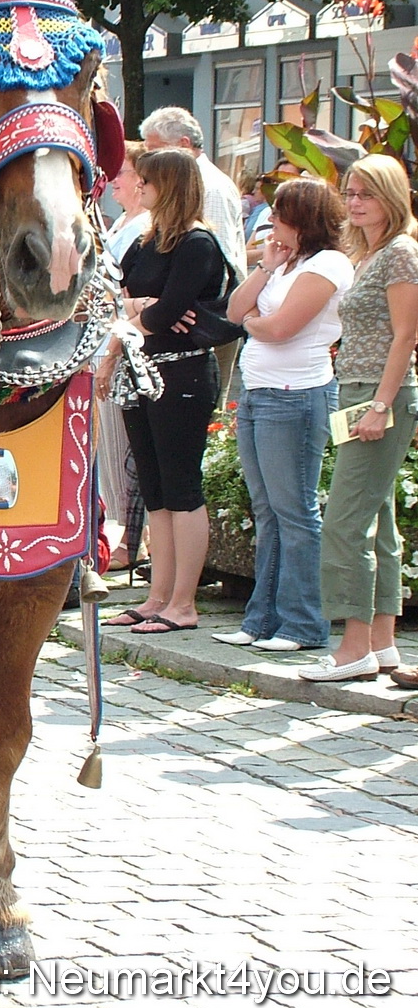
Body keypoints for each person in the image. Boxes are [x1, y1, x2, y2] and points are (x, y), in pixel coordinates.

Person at [209, 178, 352, 653]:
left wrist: (253, 322)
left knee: (295, 512)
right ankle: (262, 618)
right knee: (267, 511)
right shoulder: (287, 261)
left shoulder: (328, 263)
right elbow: (234, 310)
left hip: (295, 396)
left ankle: (304, 623)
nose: (273, 223)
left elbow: (278, 327)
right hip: (260, 393)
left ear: (303, 219)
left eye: (281, 215)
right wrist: (267, 268)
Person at [295, 155, 418, 681]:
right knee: (377, 523)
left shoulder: (400, 254)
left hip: (378, 394)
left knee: (345, 522)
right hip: (356, 390)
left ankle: (352, 650)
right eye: (349, 192)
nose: (355, 202)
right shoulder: (368, 254)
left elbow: (406, 336)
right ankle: (382, 643)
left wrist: (381, 404)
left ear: (391, 196)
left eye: (366, 193)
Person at [96, 148, 225, 634]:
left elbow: (167, 311)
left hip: (182, 374)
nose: (139, 186)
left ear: (167, 185)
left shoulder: (197, 244)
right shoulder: (144, 241)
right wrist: (136, 312)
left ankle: (183, 603)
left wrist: (139, 310)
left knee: (181, 486)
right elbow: (112, 298)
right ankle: (158, 595)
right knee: (153, 487)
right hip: (139, 367)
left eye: (147, 180)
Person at [142, 107, 246, 397]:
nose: (147, 160)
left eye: (154, 150)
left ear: (184, 145)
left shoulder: (209, 188)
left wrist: (174, 304)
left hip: (199, 327)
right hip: (168, 325)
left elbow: (216, 258)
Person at [95, 140, 150, 566]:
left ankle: (131, 540)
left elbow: (129, 295)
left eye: (123, 173)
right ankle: (123, 534)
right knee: (110, 451)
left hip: (124, 345)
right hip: (102, 340)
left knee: (122, 451)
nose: (115, 181)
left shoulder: (142, 226)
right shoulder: (121, 223)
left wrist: (123, 307)